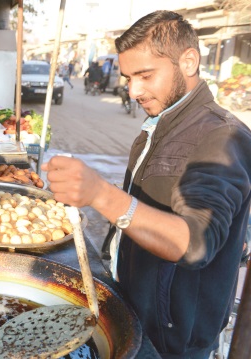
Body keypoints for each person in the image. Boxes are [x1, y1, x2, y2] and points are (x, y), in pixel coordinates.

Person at [41, 11, 251, 358]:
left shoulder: (222, 138)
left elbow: (195, 243)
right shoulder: (159, 124)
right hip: (134, 305)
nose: (134, 90)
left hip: (172, 339)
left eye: (145, 75)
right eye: (128, 78)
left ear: (188, 61)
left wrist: (101, 194)